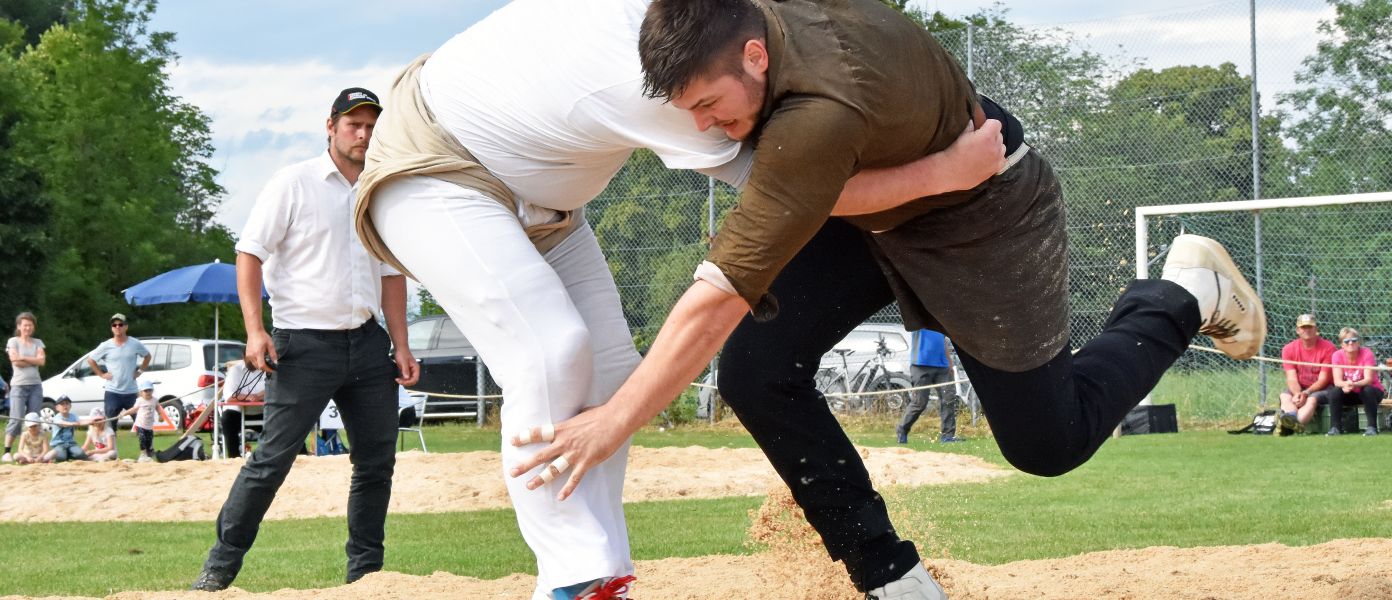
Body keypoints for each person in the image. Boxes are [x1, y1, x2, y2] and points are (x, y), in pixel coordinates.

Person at [506, 2, 1269, 598]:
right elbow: (831, 189)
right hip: (893, 196)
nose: (704, 128)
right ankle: (892, 580)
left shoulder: (817, 111)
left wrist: (615, 420)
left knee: (1048, 443)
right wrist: (934, 170)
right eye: (690, 110)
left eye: (710, 103)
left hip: (983, 210)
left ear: (755, 54)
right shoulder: (749, 35)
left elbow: (718, 299)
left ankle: (1183, 292)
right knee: (756, 374)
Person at [353, 1, 1005, 597]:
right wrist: (945, 173)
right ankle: (572, 579)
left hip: (547, 200)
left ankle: (603, 575)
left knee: (611, 370)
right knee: (551, 351)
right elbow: (808, 191)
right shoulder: (663, 79)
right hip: (433, 173)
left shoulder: (696, 32)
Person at [190, 87, 419, 593]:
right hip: (302, 345)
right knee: (272, 460)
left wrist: (400, 345)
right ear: (331, 126)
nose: (363, 134)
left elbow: (391, 275)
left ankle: (367, 577)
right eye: (353, 124)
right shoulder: (292, 183)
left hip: (367, 343)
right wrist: (255, 330)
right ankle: (219, 568)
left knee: (376, 463)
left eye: (370, 126)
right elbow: (249, 255)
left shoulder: (379, 190)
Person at [86, 313, 151, 437]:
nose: (117, 327)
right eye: (114, 325)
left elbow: (147, 356)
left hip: (131, 392)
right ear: (111, 328)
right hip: (112, 392)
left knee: (142, 422)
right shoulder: (106, 345)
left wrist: (140, 371)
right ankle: (112, 453)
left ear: (126, 327)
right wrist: (101, 374)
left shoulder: (135, 343)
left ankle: (146, 451)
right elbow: (91, 360)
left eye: (120, 324)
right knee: (110, 426)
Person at [1275, 314, 1335, 435]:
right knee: (1285, 396)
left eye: (1310, 327)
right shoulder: (1288, 349)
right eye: (1303, 327)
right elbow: (1291, 378)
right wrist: (1298, 393)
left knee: (1312, 400)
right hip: (1300, 387)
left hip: (1323, 388)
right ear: (1298, 330)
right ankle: (1291, 420)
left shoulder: (1328, 348)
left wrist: (1306, 393)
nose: (1307, 330)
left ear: (1316, 329)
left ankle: (1293, 425)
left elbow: (1324, 379)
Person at [895, 330, 959, 444]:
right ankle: (902, 429)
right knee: (920, 402)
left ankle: (948, 436)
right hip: (920, 365)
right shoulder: (918, 318)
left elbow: (943, 341)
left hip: (943, 367)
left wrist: (949, 363)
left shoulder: (939, 320)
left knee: (948, 400)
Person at [1319, 327, 1384, 436]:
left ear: (1358, 342)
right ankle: (1335, 428)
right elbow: (1337, 381)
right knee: (1334, 392)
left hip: (1370, 392)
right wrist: (1345, 385)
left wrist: (1354, 384)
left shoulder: (1367, 353)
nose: (1351, 343)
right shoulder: (1337, 355)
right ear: (1342, 344)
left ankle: (1372, 428)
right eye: (1347, 341)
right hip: (1349, 391)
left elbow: (1368, 380)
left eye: (1354, 340)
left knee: (1368, 390)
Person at [3, 312, 46, 463]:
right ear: (19, 326)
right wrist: (33, 360)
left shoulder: (38, 342)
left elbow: (42, 361)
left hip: (35, 385)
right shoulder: (13, 341)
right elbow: (15, 361)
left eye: (30, 325)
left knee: (34, 418)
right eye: (24, 325)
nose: (27, 327)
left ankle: (35, 452)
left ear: (33, 326)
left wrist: (24, 358)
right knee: (16, 417)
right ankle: (7, 451)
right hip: (19, 385)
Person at [113, 379, 160, 462]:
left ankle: (148, 453)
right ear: (141, 392)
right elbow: (133, 409)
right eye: (146, 391)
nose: (148, 392)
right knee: (142, 438)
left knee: (149, 440)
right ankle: (142, 454)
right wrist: (124, 413)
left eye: (150, 390)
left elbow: (158, 407)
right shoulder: (140, 400)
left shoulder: (155, 400)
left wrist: (160, 415)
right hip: (140, 424)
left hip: (149, 426)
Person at [44, 396, 95, 463]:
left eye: (67, 404)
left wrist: (91, 421)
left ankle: (68, 453)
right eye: (62, 404)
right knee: (61, 458)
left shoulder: (73, 416)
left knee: (80, 454)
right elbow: (63, 424)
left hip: (71, 443)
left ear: (70, 406)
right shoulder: (56, 418)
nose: (65, 406)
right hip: (59, 444)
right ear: (57, 408)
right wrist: (73, 423)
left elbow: (80, 422)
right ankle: (59, 454)